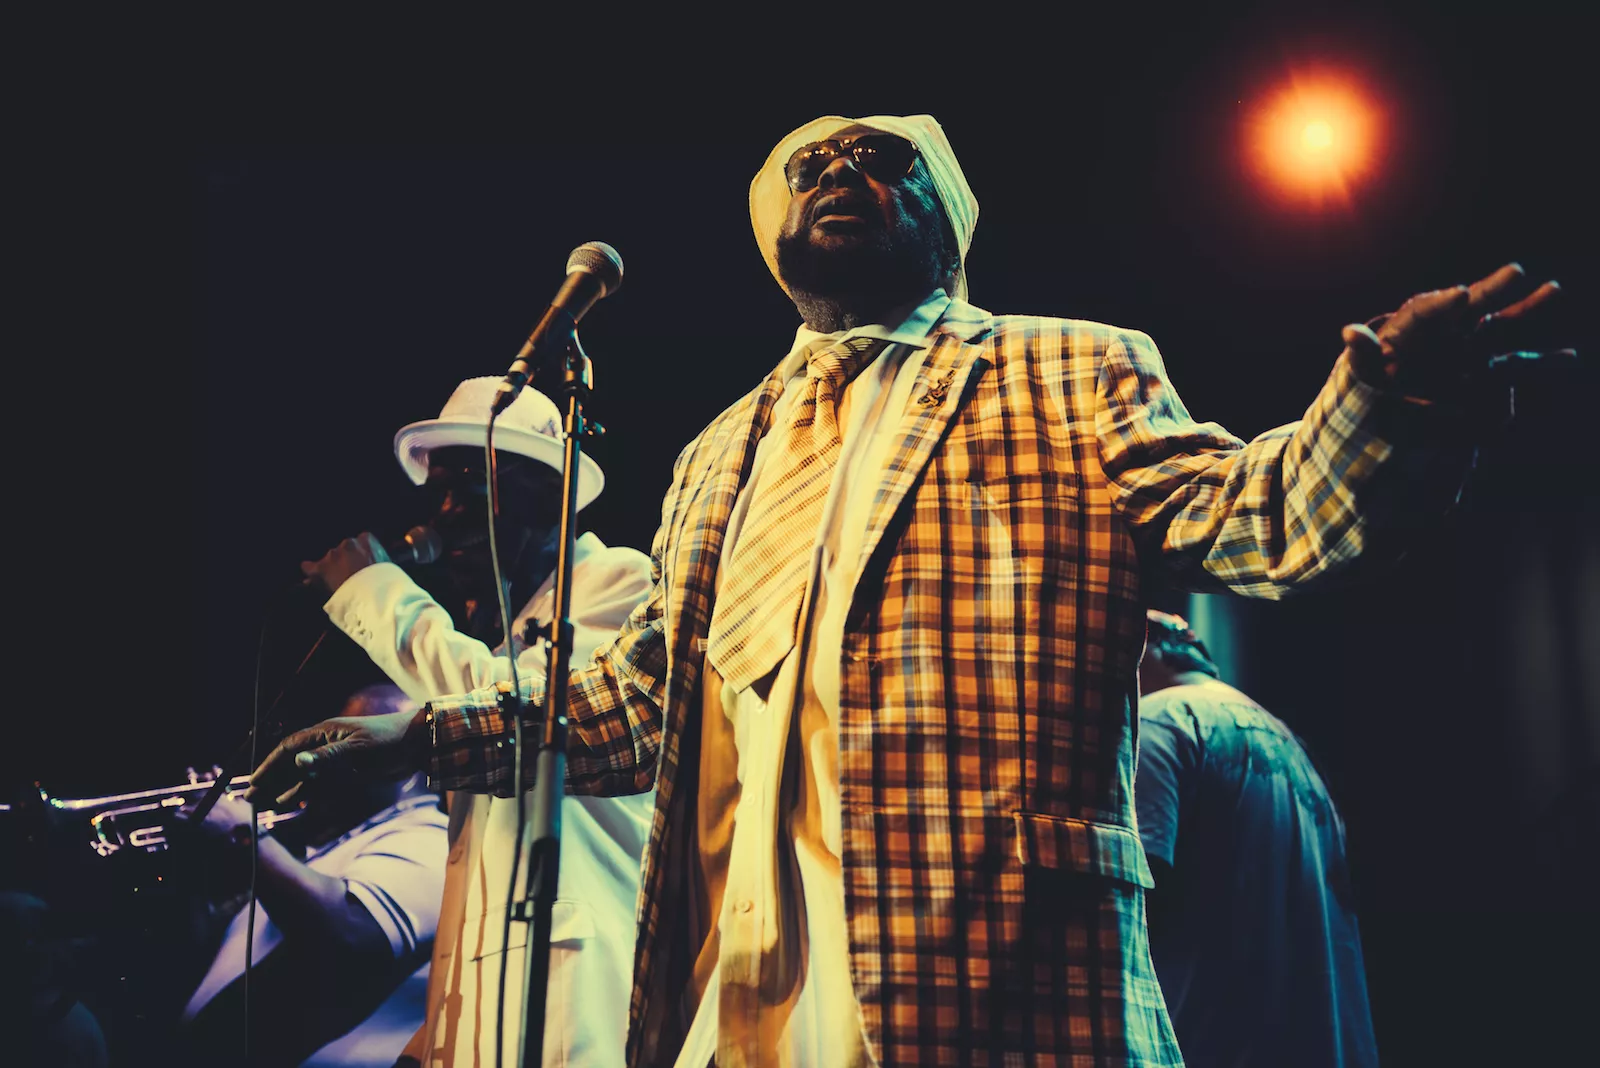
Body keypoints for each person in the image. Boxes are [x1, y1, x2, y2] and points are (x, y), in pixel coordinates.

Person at [248, 114, 1565, 1067]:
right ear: (770, 236)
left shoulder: (1068, 371)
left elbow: (1267, 521)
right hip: (744, 996)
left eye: (883, 160)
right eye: (811, 164)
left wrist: (1389, 403)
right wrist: (413, 740)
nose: (841, 174)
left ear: (949, 220)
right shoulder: (720, 453)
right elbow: (637, 711)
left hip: (993, 978)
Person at [296, 376, 654, 1067]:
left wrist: (372, 592)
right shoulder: (501, 638)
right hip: (487, 1016)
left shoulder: (617, 582)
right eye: (438, 493)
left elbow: (520, 714)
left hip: (572, 1003)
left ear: (547, 495)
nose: (444, 514)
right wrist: (437, 1038)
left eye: (470, 485)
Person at [1136, 608, 1379, 1067]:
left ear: (1150, 649)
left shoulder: (1157, 721)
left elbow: (1138, 895)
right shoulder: (1283, 737)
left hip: (1209, 1041)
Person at [180, 683, 450, 1066]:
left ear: (405, 766)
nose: (324, 758)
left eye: (352, 742)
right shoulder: (334, 851)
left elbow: (351, 935)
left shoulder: (428, 836)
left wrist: (243, 835)